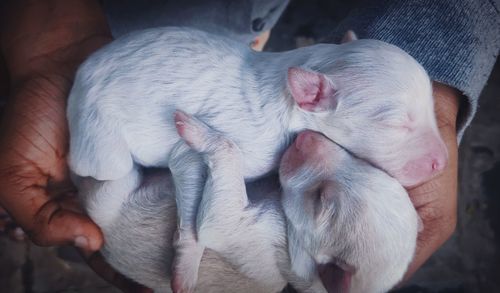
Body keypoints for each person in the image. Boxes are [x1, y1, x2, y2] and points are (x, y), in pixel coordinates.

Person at [0, 0, 498, 291]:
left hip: (177, 67)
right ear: (311, 92)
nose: (319, 147)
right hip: (123, 77)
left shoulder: (275, 145)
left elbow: (191, 164)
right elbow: (186, 158)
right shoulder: (260, 147)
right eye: (361, 163)